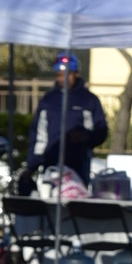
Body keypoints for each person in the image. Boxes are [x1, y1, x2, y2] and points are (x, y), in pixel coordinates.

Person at [24, 54, 107, 191]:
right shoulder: (48, 100)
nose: (63, 79)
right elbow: (39, 134)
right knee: (50, 199)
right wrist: (31, 166)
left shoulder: (89, 100)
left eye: (68, 75)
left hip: (79, 164)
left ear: (76, 74)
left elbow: (101, 130)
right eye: (59, 75)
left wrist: (86, 137)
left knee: (75, 199)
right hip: (51, 163)